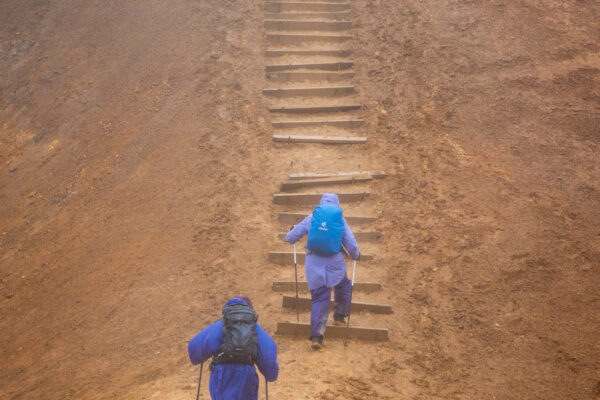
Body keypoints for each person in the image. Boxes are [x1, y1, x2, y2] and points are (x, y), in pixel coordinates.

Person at [285, 193, 360, 349]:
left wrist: (290, 234)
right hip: (335, 264)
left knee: (320, 298)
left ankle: (317, 337)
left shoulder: (312, 217)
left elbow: (291, 237)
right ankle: (339, 316)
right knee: (343, 285)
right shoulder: (340, 220)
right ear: (337, 205)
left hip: (314, 264)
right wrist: (356, 255)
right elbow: (351, 243)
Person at [188, 296, 279, 400]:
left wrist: (199, 357)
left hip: (222, 375)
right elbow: (269, 360)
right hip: (246, 376)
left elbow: (193, 350)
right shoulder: (255, 328)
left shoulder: (222, 324)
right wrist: (271, 375)